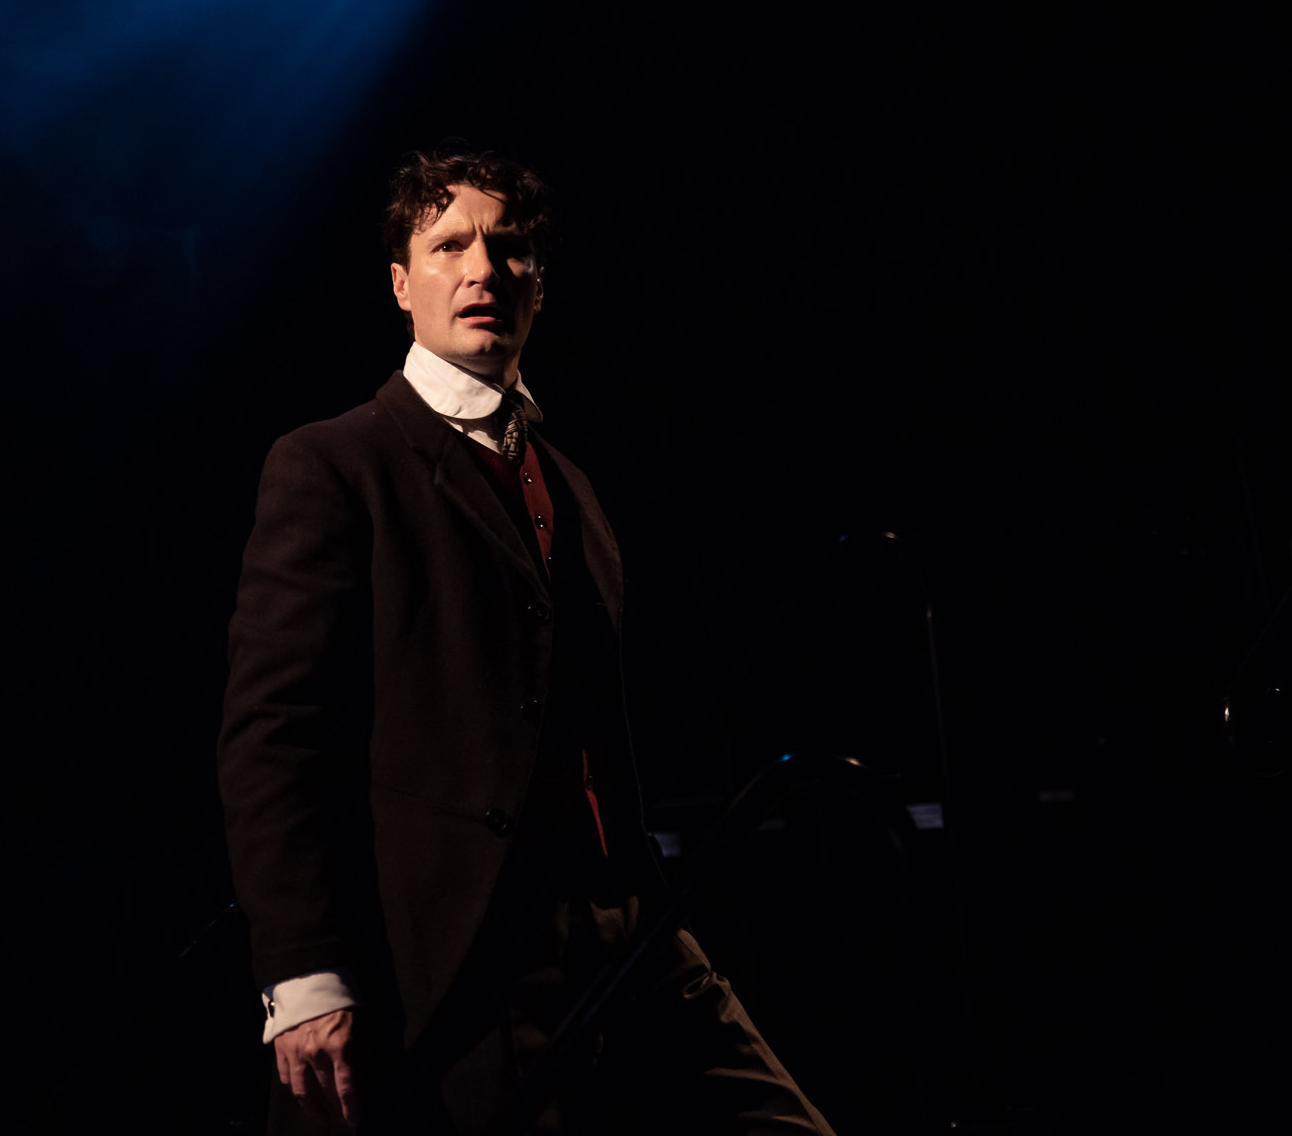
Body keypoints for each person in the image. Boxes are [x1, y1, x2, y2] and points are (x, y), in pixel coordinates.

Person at [218, 148, 833, 1134]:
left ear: (537, 284)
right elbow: (270, 737)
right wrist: (300, 967)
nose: (480, 269)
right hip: (463, 946)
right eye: (448, 243)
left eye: (506, 249)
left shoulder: (568, 482)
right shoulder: (336, 464)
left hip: (624, 923)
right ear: (399, 281)